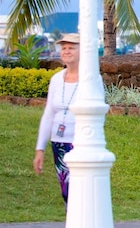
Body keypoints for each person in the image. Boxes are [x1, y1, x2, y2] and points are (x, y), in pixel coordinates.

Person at [34, 33, 81, 206]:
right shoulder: (56, 79)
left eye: (72, 48)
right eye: (64, 48)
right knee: (66, 192)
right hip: (59, 144)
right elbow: (49, 114)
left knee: (80, 191)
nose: (67, 51)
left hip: (80, 145)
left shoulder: (90, 79)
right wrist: (40, 149)